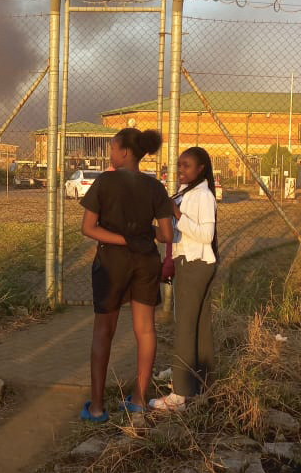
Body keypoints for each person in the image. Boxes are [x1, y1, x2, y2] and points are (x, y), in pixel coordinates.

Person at [79, 127, 174, 421]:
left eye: (112, 148)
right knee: (145, 330)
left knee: (103, 332)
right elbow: (167, 234)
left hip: (112, 264)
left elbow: (89, 228)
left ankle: (96, 408)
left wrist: (124, 239)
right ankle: (138, 400)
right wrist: (142, 236)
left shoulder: (104, 182)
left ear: (124, 152)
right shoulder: (155, 186)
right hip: (146, 263)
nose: (110, 153)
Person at [150, 146, 219, 413]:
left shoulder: (202, 195)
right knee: (200, 328)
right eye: (179, 166)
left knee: (185, 328)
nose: (181, 171)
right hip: (192, 262)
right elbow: (179, 233)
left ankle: (180, 395)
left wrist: (177, 214)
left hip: (195, 264)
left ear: (201, 168)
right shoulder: (188, 193)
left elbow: (205, 235)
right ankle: (202, 384)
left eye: (187, 166)